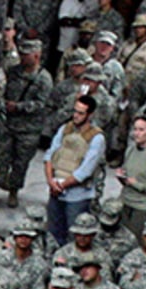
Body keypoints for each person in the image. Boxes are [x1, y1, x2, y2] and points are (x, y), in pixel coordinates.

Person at [44, 96, 106, 246]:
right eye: (75, 111)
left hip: (78, 196)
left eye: (81, 113)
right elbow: (50, 155)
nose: (76, 116)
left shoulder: (96, 138)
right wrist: (51, 181)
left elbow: (85, 171)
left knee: (75, 237)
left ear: (90, 115)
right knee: (53, 234)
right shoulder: (65, 129)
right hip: (56, 192)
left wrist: (61, 186)